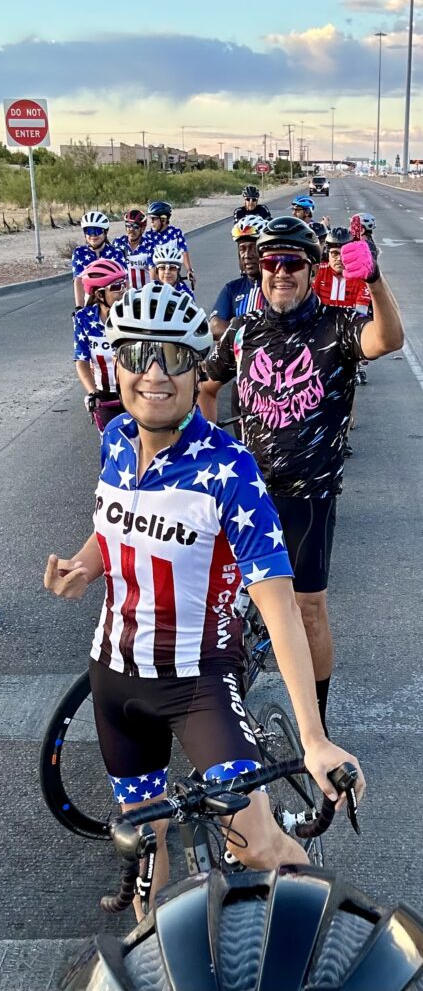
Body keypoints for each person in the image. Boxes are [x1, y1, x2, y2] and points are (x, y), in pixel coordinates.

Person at [44, 281, 364, 918]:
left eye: (175, 357)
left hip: (197, 686)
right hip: (113, 679)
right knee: (145, 846)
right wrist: (86, 562)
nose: (154, 373)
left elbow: (279, 604)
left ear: (199, 368)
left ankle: (325, 949)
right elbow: (116, 528)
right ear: (117, 364)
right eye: (137, 356)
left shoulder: (229, 467)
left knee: (257, 847)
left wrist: (313, 737)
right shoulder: (113, 439)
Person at [198, 217, 405, 734]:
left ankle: (318, 721)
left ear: (311, 270)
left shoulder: (336, 327)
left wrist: (374, 280)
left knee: (308, 609)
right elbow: (205, 383)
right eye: (272, 262)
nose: (281, 272)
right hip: (245, 492)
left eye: (292, 262)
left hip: (307, 495)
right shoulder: (244, 331)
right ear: (260, 270)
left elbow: (389, 339)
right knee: (216, 597)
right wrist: (205, 447)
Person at [313, 226, 374, 454]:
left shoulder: (360, 277)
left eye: (343, 253)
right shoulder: (319, 273)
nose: (339, 259)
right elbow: (311, 305)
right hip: (319, 335)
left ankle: (343, 436)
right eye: (334, 253)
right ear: (327, 254)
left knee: (344, 386)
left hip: (347, 337)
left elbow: (359, 313)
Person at [72, 258, 130, 430]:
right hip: (105, 395)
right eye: (116, 287)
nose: (123, 290)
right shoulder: (83, 319)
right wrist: (92, 393)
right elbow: (81, 360)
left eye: (124, 283)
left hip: (134, 390)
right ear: (99, 294)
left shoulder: (132, 313)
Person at [210, 216, 266, 341]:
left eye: (253, 247)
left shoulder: (277, 287)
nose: (247, 255)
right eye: (242, 249)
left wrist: (233, 328)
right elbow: (215, 327)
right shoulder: (232, 288)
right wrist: (249, 338)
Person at [71, 210, 126, 311]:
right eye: (89, 231)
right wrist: (79, 307)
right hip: (89, 302)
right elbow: (78, 280)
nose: (93, 235)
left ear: (105, 232)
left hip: (113, 301)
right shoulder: (79, 253)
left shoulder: (116, 252)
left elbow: (125, 281)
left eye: (98, 231)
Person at [146, 201, 195, 288]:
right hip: (156, 278)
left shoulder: (176, 233)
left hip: (173, 277)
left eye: (154, 219)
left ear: (164, 219)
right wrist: (154, 284)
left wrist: (189, 270)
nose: (151, 222)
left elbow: (184, 251)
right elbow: (150, 263)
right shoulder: (148, 236)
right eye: (150, 219)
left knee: (189, 297)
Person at [111, 208, 155, 289]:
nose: (131, 230)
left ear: (142, 229)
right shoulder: (118, 242)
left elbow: (153, 271)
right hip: (124, 292)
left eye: (135, 227)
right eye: (128, 226)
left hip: (145, 292)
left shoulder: (149, 245)